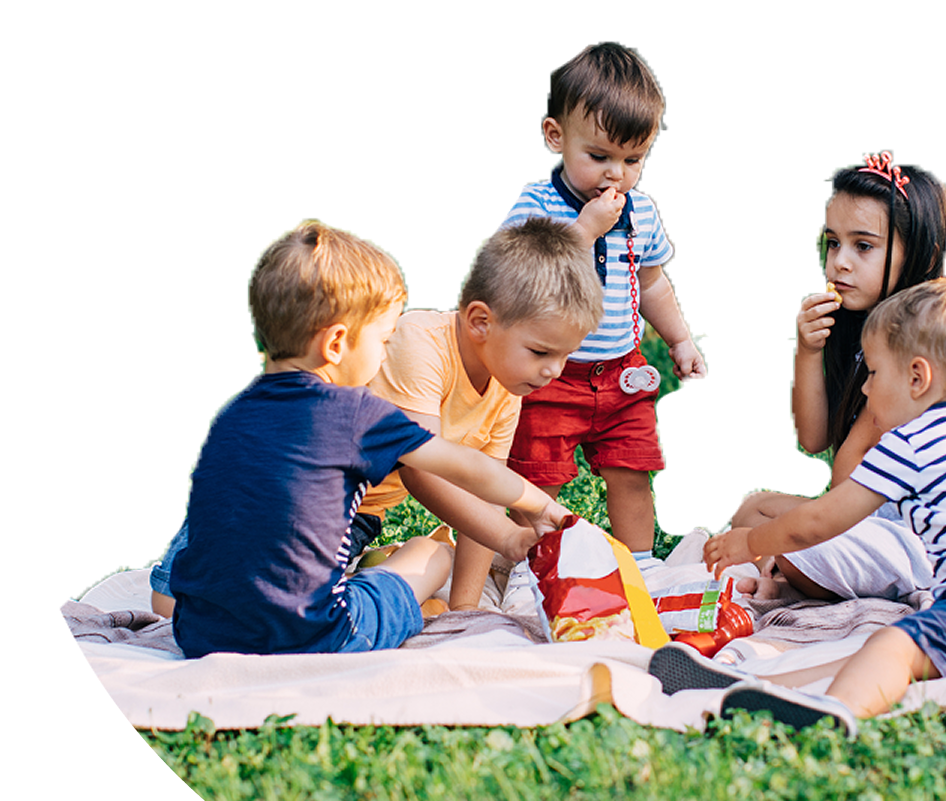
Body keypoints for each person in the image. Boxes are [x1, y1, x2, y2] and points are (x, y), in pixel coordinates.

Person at [150, 220, 576, 658]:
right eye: (384, 339)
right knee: (430, 554)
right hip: (322, 635)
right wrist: (538, 506)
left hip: (198, 634)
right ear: (336, 344)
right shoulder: (358, 413)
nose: (385, 353)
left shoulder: (229, 414)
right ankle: (399, 588)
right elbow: (466, 467)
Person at [696, 276, 946, 734]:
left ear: (917, 377)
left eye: (874, 374)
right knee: (887, 655)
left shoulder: (914, 440)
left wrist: (750, 543)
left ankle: (831, 718)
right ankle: (761, 686)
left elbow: (818, 521)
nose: (864, 390)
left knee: (891, 645)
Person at [496, 41, 706, 597]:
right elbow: (518, 277)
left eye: (633, 160)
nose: (616, 174)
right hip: (551, 374)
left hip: (621, 372)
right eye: (599, 156)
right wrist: (586, 229)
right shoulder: (536, 205)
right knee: (536, 477)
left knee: (632, 468)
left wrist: (679, 340)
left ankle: (642, 564)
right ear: (555, 136)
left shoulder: (641, 211)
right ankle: (528, 565)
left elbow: (651, 282)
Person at [727, 151, 946, 603]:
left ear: (922, 253)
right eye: (834, 243)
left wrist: (792, 536)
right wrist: (809, 349)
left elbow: (843, 483)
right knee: (753, 508)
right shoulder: (855, 328)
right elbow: (813, 438)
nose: (840, 263)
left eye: (863, 246)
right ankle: (783, 568)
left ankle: (783, 571)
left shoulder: (923, 348)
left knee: (790, 541)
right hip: (867, 523)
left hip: (914, 542)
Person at [353, 217, 604, 611]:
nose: (554, 371)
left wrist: (466, 611)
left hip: (363, 517)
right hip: (318, 507)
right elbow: (421, 470)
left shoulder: (506, 386)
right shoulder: (420, 343)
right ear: (480, 322)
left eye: (565, 355)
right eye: (541, 352)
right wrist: (508, 537)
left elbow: (488, 495)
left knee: (435, 558)